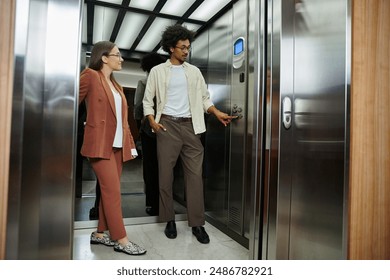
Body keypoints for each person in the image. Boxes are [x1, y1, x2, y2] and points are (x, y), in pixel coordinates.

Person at [143, 24, 236, 244]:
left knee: (195, 177)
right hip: (166, 126)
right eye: (182, 47)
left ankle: (197, 224)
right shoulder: (158, 71)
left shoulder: (194, 72)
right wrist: (153, 123)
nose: (186, 51)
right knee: (165, 176)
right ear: (171, 48)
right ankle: (169, 220)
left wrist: (216, 112)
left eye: (188, 47)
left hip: (191, 127)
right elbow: (148, 101)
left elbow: (205, 99)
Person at [79, 40, 146, 255]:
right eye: (117, 55)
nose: (121, 59)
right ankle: (121, 239)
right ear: (104, 57)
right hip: (100, 146)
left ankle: (100, 233)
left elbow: (122, 120)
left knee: (110, 192)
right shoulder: (90, 75)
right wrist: (86, 125)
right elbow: (70, 102)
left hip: (117, 146)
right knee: (113, 193)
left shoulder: (116, 85)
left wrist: (129, 144)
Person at [134, 53, 166, 216]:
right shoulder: (167, 80)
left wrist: (139, 123)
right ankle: (165, 202)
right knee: (166, 167)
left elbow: (138, 107)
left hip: (149, 131)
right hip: (168, 129)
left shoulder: (144, 82)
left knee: (150, 167)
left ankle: (152, 203)